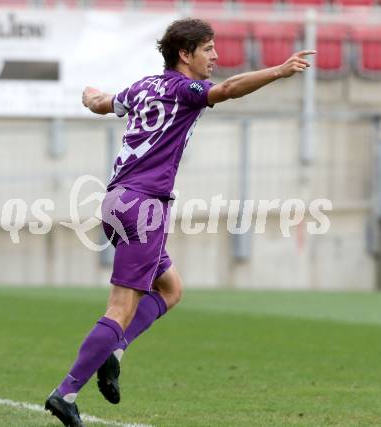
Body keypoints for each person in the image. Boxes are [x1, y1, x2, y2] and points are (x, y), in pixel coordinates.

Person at [44, 18, 315, 427]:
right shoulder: (185, 90)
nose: (216, 56)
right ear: (185, 55)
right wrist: (278, 70)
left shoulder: (142, 87)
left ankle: (114, 353)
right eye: (208, 49)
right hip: (145, 207)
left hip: (116, 201)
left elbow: (102, 103)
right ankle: (66, 392)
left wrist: (90, 96)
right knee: (120, 307)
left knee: (171, 288)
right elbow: (225, 90)